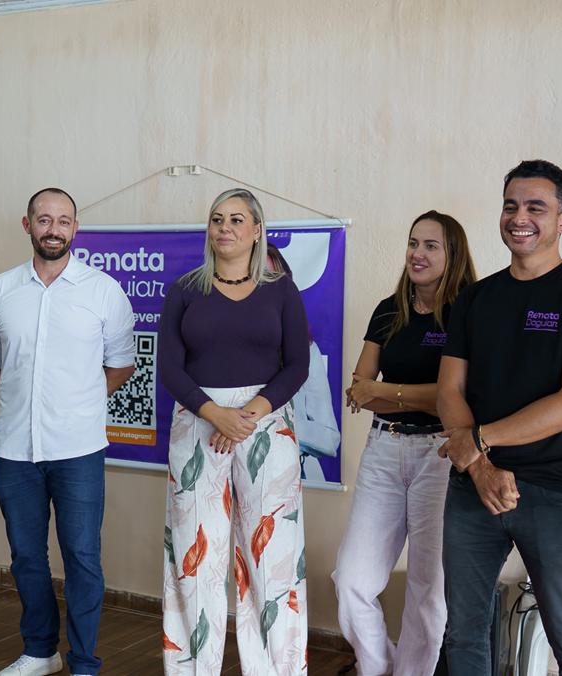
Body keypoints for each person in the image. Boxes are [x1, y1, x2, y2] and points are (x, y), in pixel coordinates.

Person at [437, 160, 562, 676]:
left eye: (536, 207)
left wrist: (477, 441)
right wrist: (479, 466)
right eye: (510, 206)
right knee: (464, 635)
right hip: (472, 489)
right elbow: (449, 389)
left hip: (552, 492)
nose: (520, 218)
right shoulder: (475, 298)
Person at [0, 188, 136, 676]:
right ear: (27, 225)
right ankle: (40, 651)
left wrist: (77, 401)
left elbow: (121, 364)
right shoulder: (0, 289)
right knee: (26, 557)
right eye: (44, 220)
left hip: (78, 449)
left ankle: (84, 663)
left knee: (82, 557)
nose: (54, 229)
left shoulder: (103, 290)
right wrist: (35, 399)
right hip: (15, 450)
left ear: (75, 229)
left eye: (63, 221)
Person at [158, 188, 310, 675]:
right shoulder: (184, 290)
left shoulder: (281, 290)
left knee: (272, 557)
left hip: (266, 425)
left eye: (237, 220)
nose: (225, 228)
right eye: (217, 219)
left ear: (257, 230)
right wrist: (214, 413)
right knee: (193, 557)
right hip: (197, 424)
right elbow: (169, 367)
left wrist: (244, 416)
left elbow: (298, 364)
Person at [331, 211, 477, 676]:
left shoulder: (468, 313)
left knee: (428, 590)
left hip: (441, 454)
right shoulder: (388, 310)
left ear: (453, 254)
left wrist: (387, 392)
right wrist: (417, 396)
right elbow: (359, 390)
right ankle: (378, 667)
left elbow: (456, 399)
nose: (417, 253)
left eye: (431, 245)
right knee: (351, 579)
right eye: (414, 243)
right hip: (384, 450)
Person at [266, 244, 340, 482]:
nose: (263, 289)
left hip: (282, 475)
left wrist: (268, 425)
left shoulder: (306, 350)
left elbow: (328, 438)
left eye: (272, 280)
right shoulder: (215, 345)